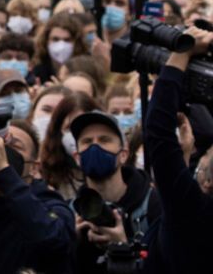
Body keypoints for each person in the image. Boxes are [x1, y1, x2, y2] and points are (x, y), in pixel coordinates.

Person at [143, 24, 213, 272]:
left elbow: (159, 132)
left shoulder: (193, 212)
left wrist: (181, 53)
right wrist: (181, 162)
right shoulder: (185, 206)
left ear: (206, 183)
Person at [0, 119, 75, 273]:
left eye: (14, 146)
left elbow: (53, 240)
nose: (1, 151)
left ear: (34, 168)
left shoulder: (52, 207)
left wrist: (6, 173)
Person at [70, 110, 161, 274]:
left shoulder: (152, 205)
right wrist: (72, 243)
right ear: (77, 157)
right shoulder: (71, 211)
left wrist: (123, 248)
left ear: (123, 154)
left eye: (105, 140)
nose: (94, 146)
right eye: (87, 141)